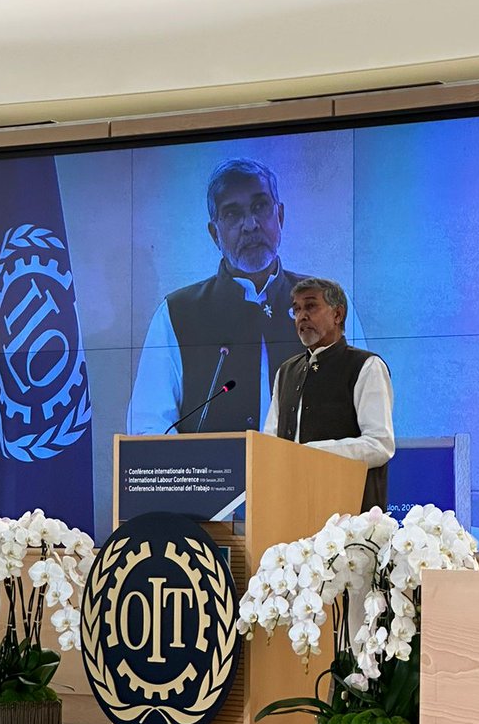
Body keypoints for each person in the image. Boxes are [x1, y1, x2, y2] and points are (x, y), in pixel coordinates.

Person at [126, 157, 365, 435]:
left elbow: (364, 413)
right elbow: (148, 427)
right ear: (215, 234)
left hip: (310, 476)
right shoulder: (176, 313)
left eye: (260, 206)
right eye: (232, 214)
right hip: (213, 476)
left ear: (280, 216)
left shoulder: (330, 303)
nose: (250, 224)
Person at [264, 278, 393, 511]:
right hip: (289, 508)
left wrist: (313, 454)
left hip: (349, 514)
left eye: (311, 306)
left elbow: (379, 445)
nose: (302, 316)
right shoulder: (286, 372)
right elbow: (270, 444)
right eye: (297, 309)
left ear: (338, 314)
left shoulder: (366, 366)